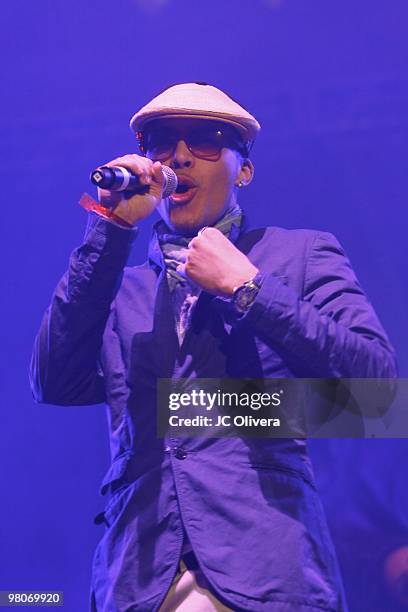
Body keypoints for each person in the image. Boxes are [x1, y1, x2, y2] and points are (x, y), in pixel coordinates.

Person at [30, 82, 397, 611]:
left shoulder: (300, 255)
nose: (178, 156)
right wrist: (107, 228)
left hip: (267, 576)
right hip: (138, 582)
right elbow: (52, 382)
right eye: (160, 142)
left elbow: (378, 391)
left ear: (243, 169)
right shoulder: (118, 288)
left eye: (205, 140)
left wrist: (249, 290)